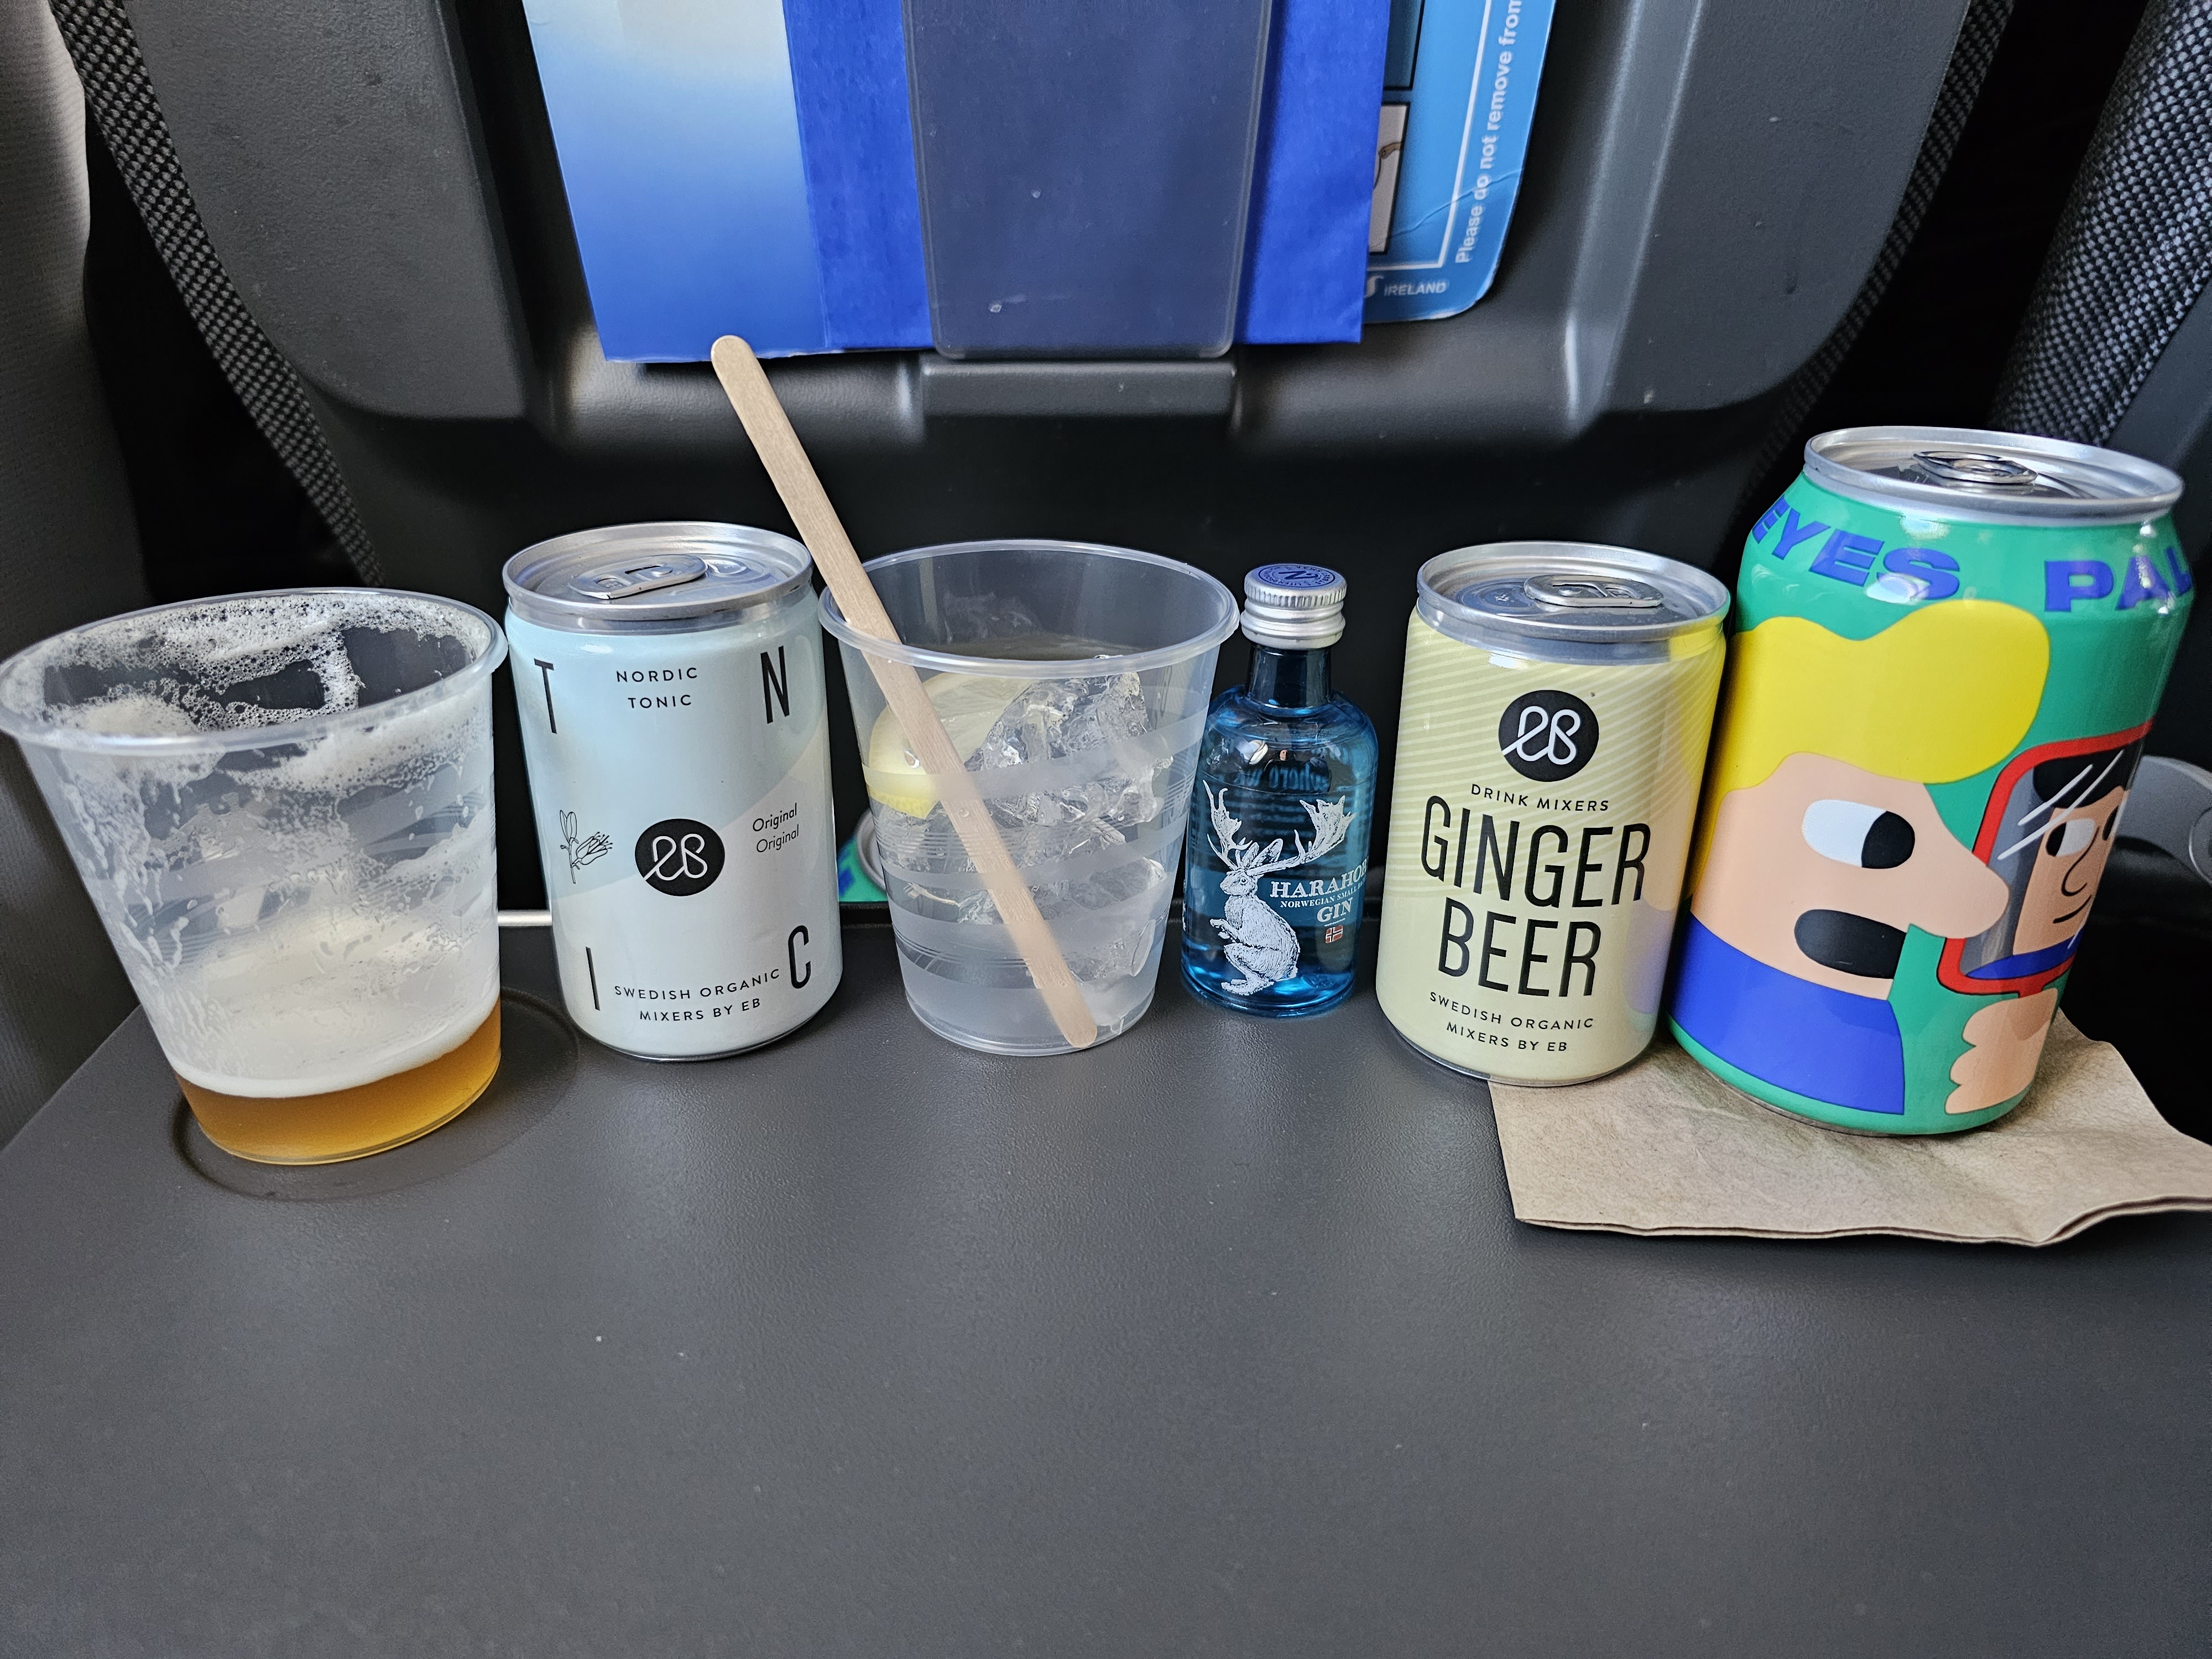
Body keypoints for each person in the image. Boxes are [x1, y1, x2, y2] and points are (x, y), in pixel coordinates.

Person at [1670, 598, 2053, 1118]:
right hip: (1821, 1022)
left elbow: (1974, 899)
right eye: (1875, 836)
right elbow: (1972, 900)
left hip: (1855, 1034)